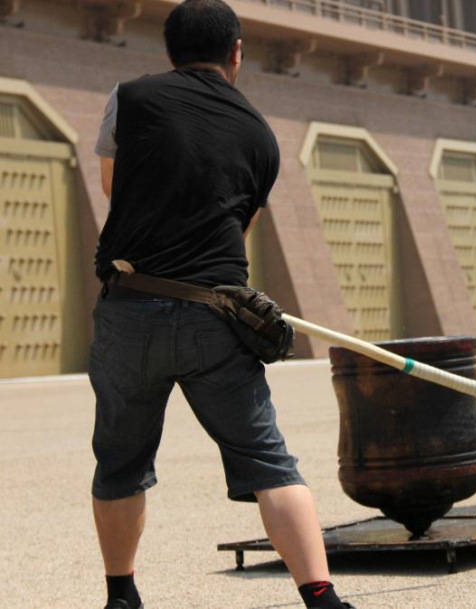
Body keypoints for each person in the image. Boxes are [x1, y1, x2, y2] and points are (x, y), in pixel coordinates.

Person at [90, 1, 353, 608]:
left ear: (168, 52)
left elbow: (111, 185)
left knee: (120, 464)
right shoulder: (261, 134)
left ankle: (122, 596)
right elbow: (240, 231)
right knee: (270, 463)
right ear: (237, 52)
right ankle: (321, 599)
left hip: (130, 307)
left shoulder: (130, 97)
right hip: (216, 315)